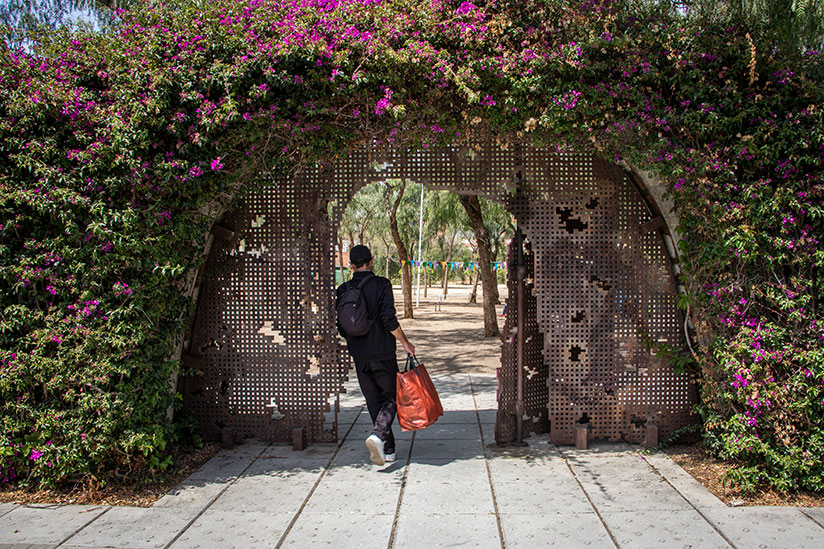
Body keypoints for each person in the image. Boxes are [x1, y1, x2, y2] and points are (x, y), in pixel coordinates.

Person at [336, 244, 415, 466]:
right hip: (382, 352)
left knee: (373, 401)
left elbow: (341, 326)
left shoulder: (342, 290)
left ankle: (388, 449)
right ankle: (379, 435)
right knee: (391, 397)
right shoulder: (382, 284)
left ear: (351, 266)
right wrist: (406, 343)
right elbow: (389, 320)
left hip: (359, 355)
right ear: (371, 261)